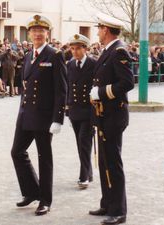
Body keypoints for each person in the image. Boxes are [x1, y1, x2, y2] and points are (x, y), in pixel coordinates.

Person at [11, 15, 67, 216]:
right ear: (29, 33)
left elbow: (61, 90)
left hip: (44, 116)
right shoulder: (28, 55)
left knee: (45, 158)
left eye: (41, 31)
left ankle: (45, 200)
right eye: (34, 31)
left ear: (47, 33)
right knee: (17, 152)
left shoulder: (55, 55)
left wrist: (58, 118)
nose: (37, 34)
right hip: (26, 114)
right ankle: (31, 191)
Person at [89, 13, 134, 225]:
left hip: (114, 115)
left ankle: (119, 210)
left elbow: (127, 83)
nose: (97, 32)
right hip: (104, 115)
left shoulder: (119, 51)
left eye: (98, 28)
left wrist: (102, 92)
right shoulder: (108, 51)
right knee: (105, 160)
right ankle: (107, 202)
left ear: (106, 30)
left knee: (113, 163)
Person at [66, 34, 96, 190]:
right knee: (80, 143)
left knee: (84, 141)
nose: (75, 52)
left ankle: (83, 176)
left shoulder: (93, 64)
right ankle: (89, 172)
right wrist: (66, 107)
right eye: (72, 49)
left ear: (86, 49)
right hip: (74, 110)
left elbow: (97, 88)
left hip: (89, 110)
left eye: (78, 48)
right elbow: (68, 88)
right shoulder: (70, 64)